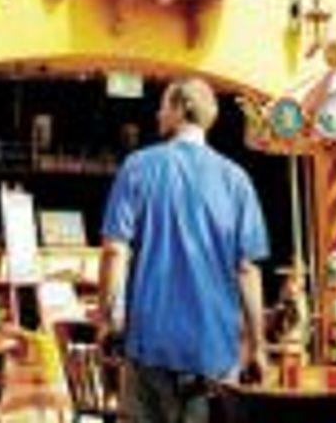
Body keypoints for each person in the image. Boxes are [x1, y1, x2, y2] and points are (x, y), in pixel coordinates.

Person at [98, 77, 270, 423]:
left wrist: (108, 320)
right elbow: (247, 269)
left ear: (180, 109)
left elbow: (115, 250)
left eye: (163, 105)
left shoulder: (138, 167)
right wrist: (257, 346)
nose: (158, 114)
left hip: (149, 346)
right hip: (215, 352)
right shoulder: (236, 180)